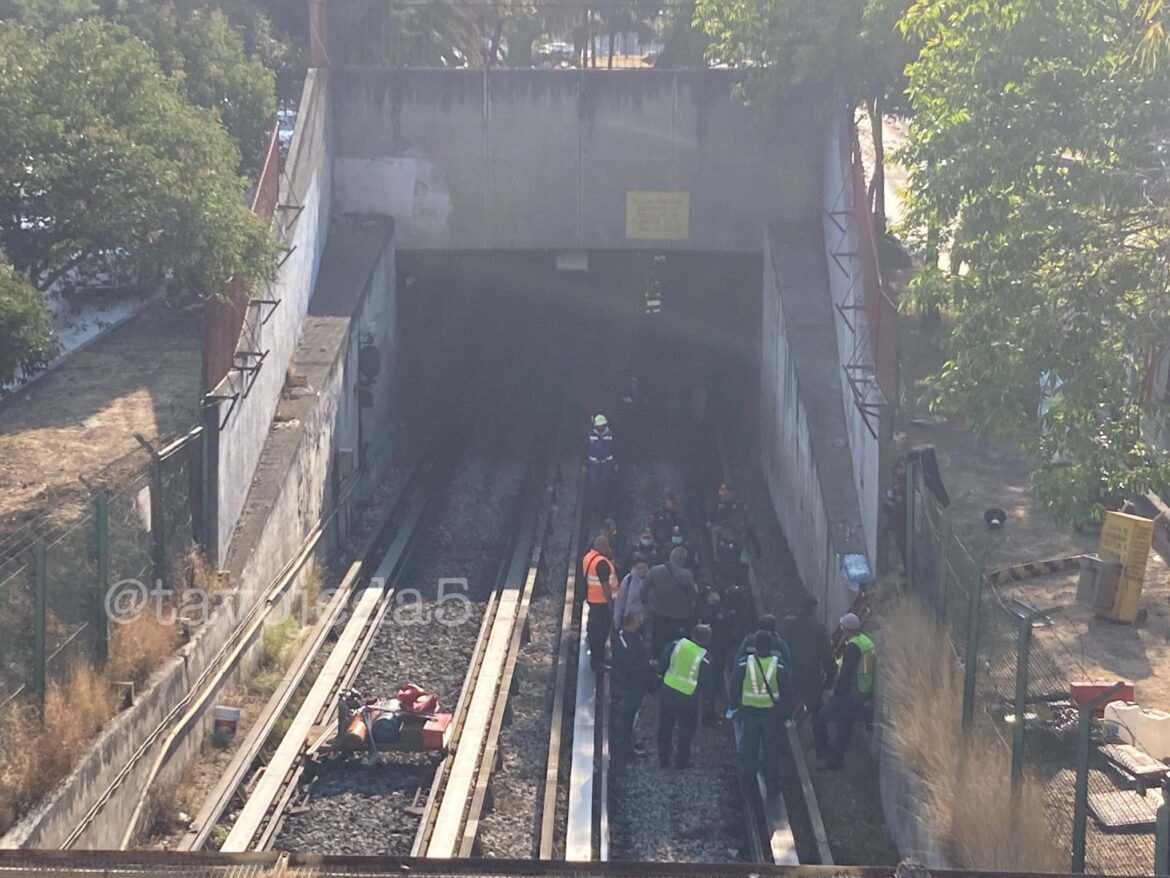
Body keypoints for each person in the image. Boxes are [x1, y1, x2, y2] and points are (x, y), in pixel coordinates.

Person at [814, 612, 876, 771]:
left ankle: (866, 715)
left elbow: (846, 673)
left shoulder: (853, 647)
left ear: (846, 629)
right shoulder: (864, 641)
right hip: (864, 687)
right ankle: (835, 760)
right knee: (844, 723)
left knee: (823, 716)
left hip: (854, 690)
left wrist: (837, 694)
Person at [730, 629, 790, 792]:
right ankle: (772, 784)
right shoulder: (779, 665)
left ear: (755, 645)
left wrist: (733, 706)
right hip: (771, 714)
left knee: (750, 749)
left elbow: (735, 685)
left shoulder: (744, 663)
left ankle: (748, 784)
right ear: (770, 646)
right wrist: (786, 713)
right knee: (771, 751)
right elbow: (787, 690)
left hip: (749, 712)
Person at [657, 624, 716, 769]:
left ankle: (663, 758)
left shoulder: (676, 644)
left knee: (665, 726)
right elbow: (708, 682)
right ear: (707, 640)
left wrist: (659, 677)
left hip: (668, 690)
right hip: (688, 698)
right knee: (686, 731)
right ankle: (681, 761)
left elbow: (663, 661)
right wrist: (708, 701)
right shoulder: (705, 658)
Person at [778, 596, 837, 717]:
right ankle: (818, 729)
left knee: (787, 707)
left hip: (792, 672)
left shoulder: (790, 625)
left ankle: (787, 724)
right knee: (816, 710)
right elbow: (826, 654)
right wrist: (830, 676)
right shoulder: (819, 628)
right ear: (814, 608)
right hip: (811, 675)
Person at [611, 611, 654, 758]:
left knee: (631, 715)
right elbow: (628, 663)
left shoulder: (634, 637)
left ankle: (627, 742)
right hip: (629, 684)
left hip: (636, 683)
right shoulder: (623, 640)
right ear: (631, 623)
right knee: (627, 717)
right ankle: (625, 747)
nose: (640, 624)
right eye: (638, 622)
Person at [646, 546, 698, 657]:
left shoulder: (655, 570)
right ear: (683, 560)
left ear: (670, 556)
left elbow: (643, 592)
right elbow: (693, 596)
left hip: (659, 615)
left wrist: (650, 605)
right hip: (681, 618)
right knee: (677, 648)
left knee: (658, 646)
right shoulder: (687, 575)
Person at [581, 535, 619, 673]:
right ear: (602, 546)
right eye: (607, 545)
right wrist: (610, 602)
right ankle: (598, 662)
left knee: (594, 630)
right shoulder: (602, 562)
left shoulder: (588, 557)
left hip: (593, 599)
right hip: (602, 603)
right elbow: (605, 585)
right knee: (601, 634)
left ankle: (597, 659)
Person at [587, 414, 616, 519]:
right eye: (599, 426)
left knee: (604, 486)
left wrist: (613, 462)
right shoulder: (590, 435)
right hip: (593, 464)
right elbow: (586, 448)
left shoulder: (610, 435)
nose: (601, 428)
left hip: (605, 464)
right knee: (594, 486)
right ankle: (593, 510)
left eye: (602, 426)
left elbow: (613, 449)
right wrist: (584, 464)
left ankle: (602, 510)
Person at [614, 555, 651, 629]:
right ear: (634, 568)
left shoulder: (652, 579)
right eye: (639, 568)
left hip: (647, 620)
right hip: (630, 621)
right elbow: (620, 601)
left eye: (644, 567)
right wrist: (617, 620)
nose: (642, 570)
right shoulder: (628, 580)